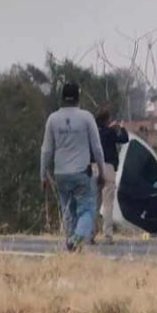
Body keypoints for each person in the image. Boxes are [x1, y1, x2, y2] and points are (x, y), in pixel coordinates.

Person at [40, 82, 106, 252]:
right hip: (81, 173)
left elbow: (46, 150)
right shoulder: (86, 117)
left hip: (61, 173)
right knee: (87, 211)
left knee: (68, 211)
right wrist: (102, 171)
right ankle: (75, 240)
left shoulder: (53, 119)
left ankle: (72, 247)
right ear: (78, 97)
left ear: (62, 97)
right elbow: (97, 147)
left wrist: (43, 174)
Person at [94, 106, 129, 243]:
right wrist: (120, 127)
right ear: (108, 120)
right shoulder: (110, 132)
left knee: (94, 203)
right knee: (108, 203)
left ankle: (90, 234)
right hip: (108, 167)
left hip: (94, 166)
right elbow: (125, 139)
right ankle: (108, 235)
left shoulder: (94, 132)